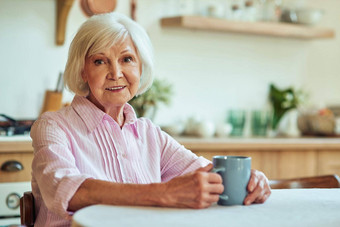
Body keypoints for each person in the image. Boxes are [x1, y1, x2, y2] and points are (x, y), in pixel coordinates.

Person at [30, 12, 271, 227]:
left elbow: (208, 176)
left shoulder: (148, 133)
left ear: (140, 67)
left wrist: (249, 181)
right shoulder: (53, 126)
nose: (116, 73)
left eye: (127, 59)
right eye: (100, 61)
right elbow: (62, 190)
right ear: (83, 70)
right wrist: (163, 193)